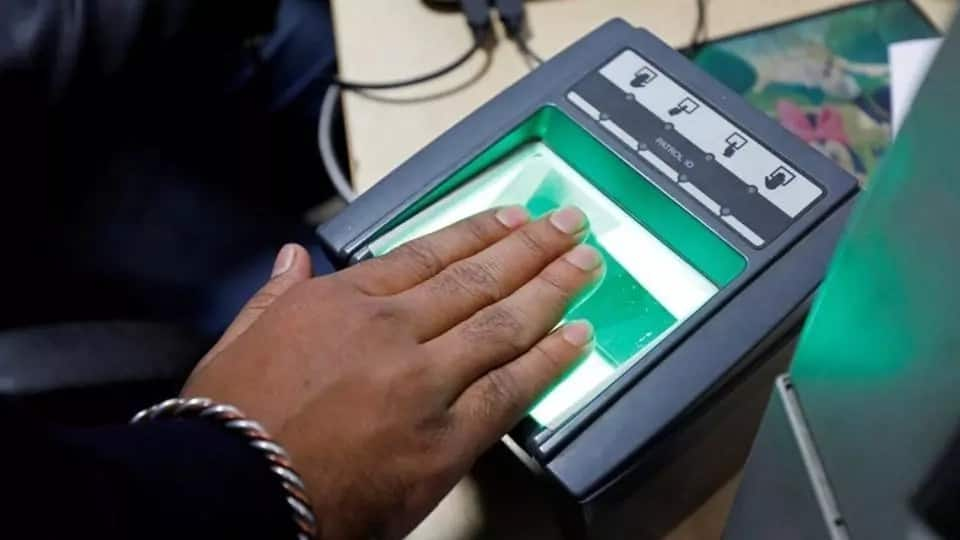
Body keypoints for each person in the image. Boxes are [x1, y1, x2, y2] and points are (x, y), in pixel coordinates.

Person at [0, 2, 604, 538]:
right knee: (354, 298)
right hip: (48, 192)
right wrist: (249, 476)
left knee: (341, 56)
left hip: (100, 71)